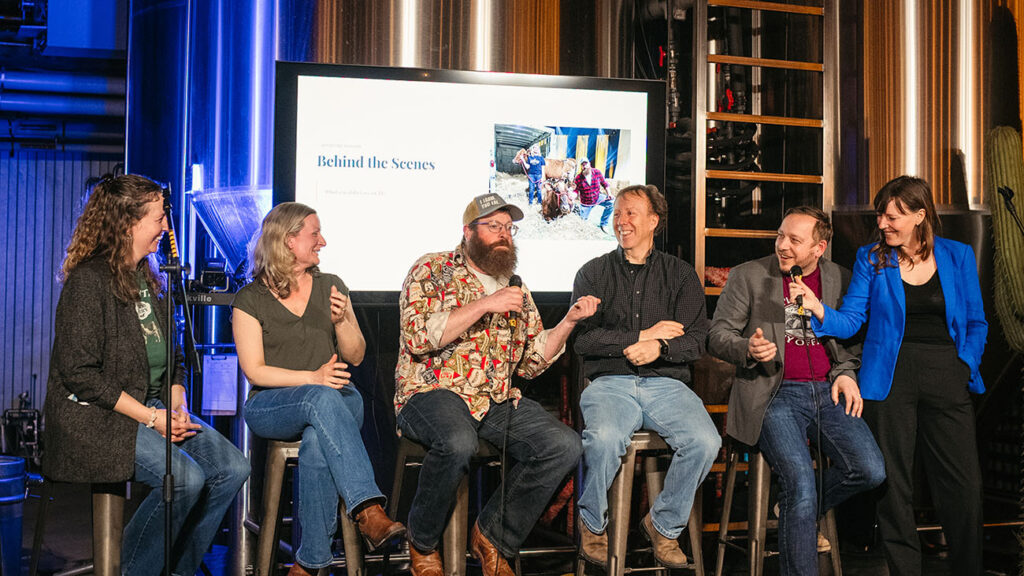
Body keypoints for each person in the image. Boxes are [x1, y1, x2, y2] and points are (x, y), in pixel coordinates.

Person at [42, 174, 250, 576]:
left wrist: (176, 397)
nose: (166, 229)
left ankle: (175, 569)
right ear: (128, 223)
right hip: (94, 417)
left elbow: (173, 352)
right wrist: (152, 418)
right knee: (185, 479)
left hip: (148, 405)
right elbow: (81, 374)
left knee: (231, 469)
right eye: (158, 219)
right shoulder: (89, 281)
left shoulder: (149, 278)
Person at [395, 193, 598, 576]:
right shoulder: (432, 269)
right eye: (493, 227)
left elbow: (533, 361)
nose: (504, 235)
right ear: (468, 231)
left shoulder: (515, 284)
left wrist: (568, 321)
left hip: (495, 400)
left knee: (564, 444)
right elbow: (418, 337)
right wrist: (485, 305)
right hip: (432, 391)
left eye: (508, 228)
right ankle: (422, 542)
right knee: (457, 441)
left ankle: (492, 536)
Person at [796, 176, 987, 576]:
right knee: (894, 486)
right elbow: (851, 320)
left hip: (946, 374)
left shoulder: (957, 255)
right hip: (889, 378)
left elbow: (975, 321)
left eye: (892, 215)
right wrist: (818, 310)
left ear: (920, 215)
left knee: (962, 485)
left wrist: (964, 363)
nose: (882, 222)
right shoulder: (871, 259)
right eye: (881, 214)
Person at [707, 206, 885, 576]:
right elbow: (718, 335)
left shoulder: (839, 278)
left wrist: (846, 372)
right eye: (780, 235)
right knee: (800, 485)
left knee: (870, 470)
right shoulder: (750, 275)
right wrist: (748, 350)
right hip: (774, 393)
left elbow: (851, 337)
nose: (783, 245)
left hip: (826, 391)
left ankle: (797, 507)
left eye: (794, 240)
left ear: (819, 248)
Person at [233, 202, 405, 576]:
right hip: (272, 406)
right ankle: (366, 509)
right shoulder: (250, 299)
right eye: (315, 233)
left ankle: (309, 565)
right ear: (289, 239)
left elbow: (356, 356)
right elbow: (255, 371)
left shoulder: (331, 286)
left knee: (317, 444)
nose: (322, 241)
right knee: (320, 397)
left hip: (339, 401)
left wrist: (342, 320)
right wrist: (312, 379)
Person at [571, 184, 719, 567]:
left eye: (631, 213)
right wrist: (644, 335)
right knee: (603, 438)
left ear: (654, 221)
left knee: (705, 442)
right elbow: (584, 341)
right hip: (610, 383)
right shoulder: (592, 273)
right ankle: (591, 524)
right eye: (618, 213)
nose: (621, 221)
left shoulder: (681, 276)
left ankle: (662, 525)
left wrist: (661, 349)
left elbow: (697, 339)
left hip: (667, 384)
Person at [573, 158, 614, 233]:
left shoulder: (597, 172)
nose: (585, 166)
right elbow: (575, 190)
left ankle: (604, 224)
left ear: (589, 164)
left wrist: (609, 194)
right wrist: (572, 196)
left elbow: (605, 184)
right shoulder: (578, 178)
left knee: (611, 203)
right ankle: (578, 212)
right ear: (581, 167)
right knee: (582, 224)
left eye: (586, 163)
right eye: (583, 164)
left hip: (597, 197)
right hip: (586, 203)